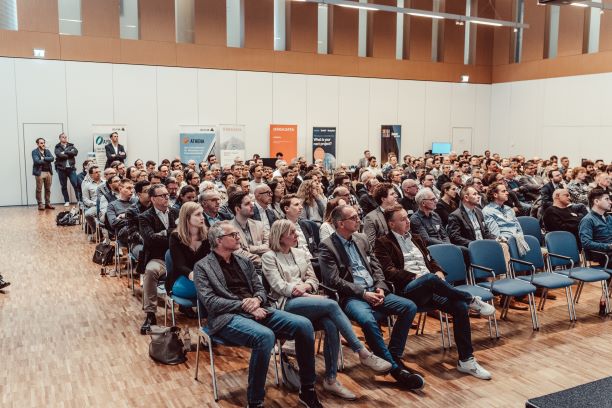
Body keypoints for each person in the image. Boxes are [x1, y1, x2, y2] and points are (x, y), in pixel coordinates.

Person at [194, 221, 323, 408]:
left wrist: (256, 300)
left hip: (260, 309)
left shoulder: (244, 260)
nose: (239, 237)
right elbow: (211, 302)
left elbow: (261, 290)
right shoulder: (203, 266)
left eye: (238, 234)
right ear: (219, 240)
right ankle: (255, 401)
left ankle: (308, 390)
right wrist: (244, 305)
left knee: (304, 325)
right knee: (265, 337)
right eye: (234, 235)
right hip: (227, 317)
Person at [262, 220, 392, 400]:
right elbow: (278, 286)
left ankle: (331, 379)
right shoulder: (269, 257)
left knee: (331, 324)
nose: (296, 235)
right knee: (331, 304)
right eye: (291, 232)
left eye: (295, 232)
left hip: (307, 300)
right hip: (286, 303)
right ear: (280, 236)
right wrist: (299, 291)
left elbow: (314, 280)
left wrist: (306, 288)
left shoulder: (300, 253)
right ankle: (362, 352)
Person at [374, 204, 494, 380]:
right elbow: (389, 271)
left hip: (431, 288)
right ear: (391, 224)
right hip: (409, 290)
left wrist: (438, 271)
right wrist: (417, 277)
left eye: (407, 218)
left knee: (459, 306)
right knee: (429, 279)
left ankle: (466, 361)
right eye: (402, 220)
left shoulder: (416, 238)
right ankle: (469, 299)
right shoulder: (383, 242)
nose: (408, 221)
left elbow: (431, 261)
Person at [318, 204, 424, 390]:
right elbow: (333, 281)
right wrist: (363, 293)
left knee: (409, 307)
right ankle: (395, 370)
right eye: (354, 217)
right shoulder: (327, 246)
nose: (359, 218)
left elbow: (376, 267)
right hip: (352, 297)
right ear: (341, 223)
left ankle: (393, 354)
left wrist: (380, 287)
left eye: (357, 215)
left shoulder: (361, 238)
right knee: (367, 321)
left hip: (374, 290)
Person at [138, 184, 179, 334]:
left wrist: (163, 233)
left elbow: (184, 235)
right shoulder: (145, 217)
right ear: (153, 199)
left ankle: (189, 306)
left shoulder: (176, 212)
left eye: (167, 194)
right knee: (150, 272)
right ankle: (150, 314)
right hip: (158, 257)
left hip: (177, 256)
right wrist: (172, 234)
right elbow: (150, 240)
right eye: (162, 195)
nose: (167, 197)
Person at [167, 202, 211, 317]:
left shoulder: (207, 234)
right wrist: (195, 276)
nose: (202, 217)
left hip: (202, 276)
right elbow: (179, 265)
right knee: (214, 289)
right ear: (187, 218)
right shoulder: (176, 236)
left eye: (202, 214)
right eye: (197, 215)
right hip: (181, 277)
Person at [578, 188, 612, 315]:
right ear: (596, 201)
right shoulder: (588, 220)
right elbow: (586, 243)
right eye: (607, 199)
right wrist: (608, 246)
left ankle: (604, 298)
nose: (610, 202)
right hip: (599, 255)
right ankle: (604, 298)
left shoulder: (608, 218)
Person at [228, 191, 270, 270]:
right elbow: (238, 253)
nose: (252, 205)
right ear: (237, 209)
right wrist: (263, 261)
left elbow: (270, 245)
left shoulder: (259, 225)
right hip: (244, 270)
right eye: (247, 204)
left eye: (251, 202)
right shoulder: (229, 229)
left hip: (266, 268)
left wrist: (250, 248)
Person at [362, 182, 398, 248]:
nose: (396, 195)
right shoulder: (370, 218)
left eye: (395, 193)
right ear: (383, 199)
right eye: (392, 194)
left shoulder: (399, 212)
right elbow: (372, 244)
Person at [54, 133, 79, 206]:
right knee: (64, 186)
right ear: (60, 138)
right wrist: (69, 153)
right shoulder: (57, 147)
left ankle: (79, 200)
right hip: (61, 169)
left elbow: (75, 152)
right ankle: (67, 201)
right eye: (63, 137)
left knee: (75, 184)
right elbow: (58, 155)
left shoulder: (71, 145)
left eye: (65, 137)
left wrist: (65, 152)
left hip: (71, 169)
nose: (64, 138)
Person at [32, 138, 55, 211]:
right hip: (40, 172)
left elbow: (52, 158)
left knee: (48, 189)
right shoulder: (34, 152)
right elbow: (36, 161)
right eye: (41, 143)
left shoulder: (47, 151)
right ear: (38, 144)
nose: (43, 144)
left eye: (44, 142)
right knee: (39, 189)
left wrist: (44, 158)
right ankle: (40, 204)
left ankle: (47, 204)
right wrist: (47, 160)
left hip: (48, 172)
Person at [82, 165, 104, 236]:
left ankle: (108, 232)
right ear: (91, 175)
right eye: (96, 172)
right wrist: (95, 204)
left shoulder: (105, 183)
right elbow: (85, 199)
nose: (99, 173)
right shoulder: (87, 185)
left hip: (106, 204)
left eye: (99, 171)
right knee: (88, 214)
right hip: (95, 205)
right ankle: (95, 231)